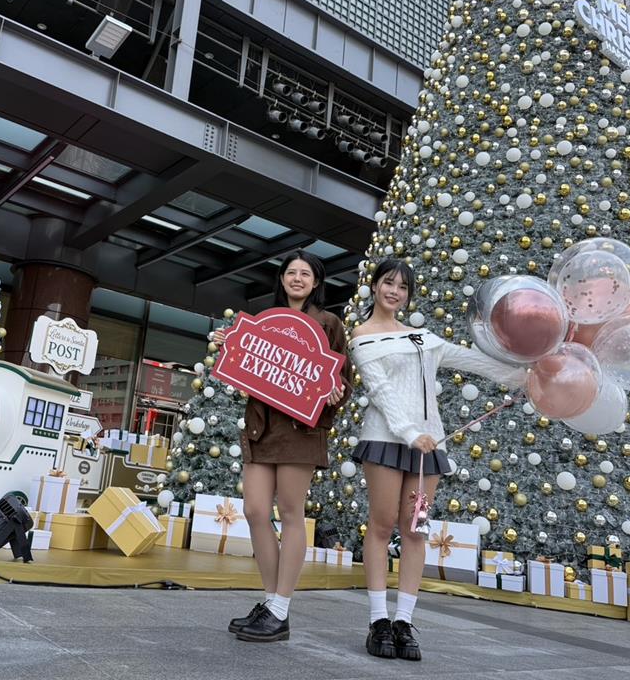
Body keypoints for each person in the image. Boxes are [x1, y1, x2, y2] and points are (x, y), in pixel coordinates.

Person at [349, 257, 525, 661]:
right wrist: (411, 433)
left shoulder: (423, 337)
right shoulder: (362, 335)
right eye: (388, 283)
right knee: (380, 525)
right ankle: (378, 620)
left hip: (430, 446)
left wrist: (525, 376)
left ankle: (404, 622)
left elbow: (472, 360)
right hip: (387, 439)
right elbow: (381, 392)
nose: (394, 291)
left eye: (403, 287)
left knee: (416, 529)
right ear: (374, 286)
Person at [213, 250, 350, 642]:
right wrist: (230, 345)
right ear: (282, 279)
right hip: (261, 429)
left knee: (291, 513)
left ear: (316, 282)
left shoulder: (329, 324)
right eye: (291, 272)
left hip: (300, 432)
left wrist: (335, 394)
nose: (297, 278)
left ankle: (279, 608)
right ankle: (272, 603)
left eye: (305, 273)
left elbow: (343, 381)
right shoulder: (262, 320)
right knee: (255, 509)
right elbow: (247, 367)